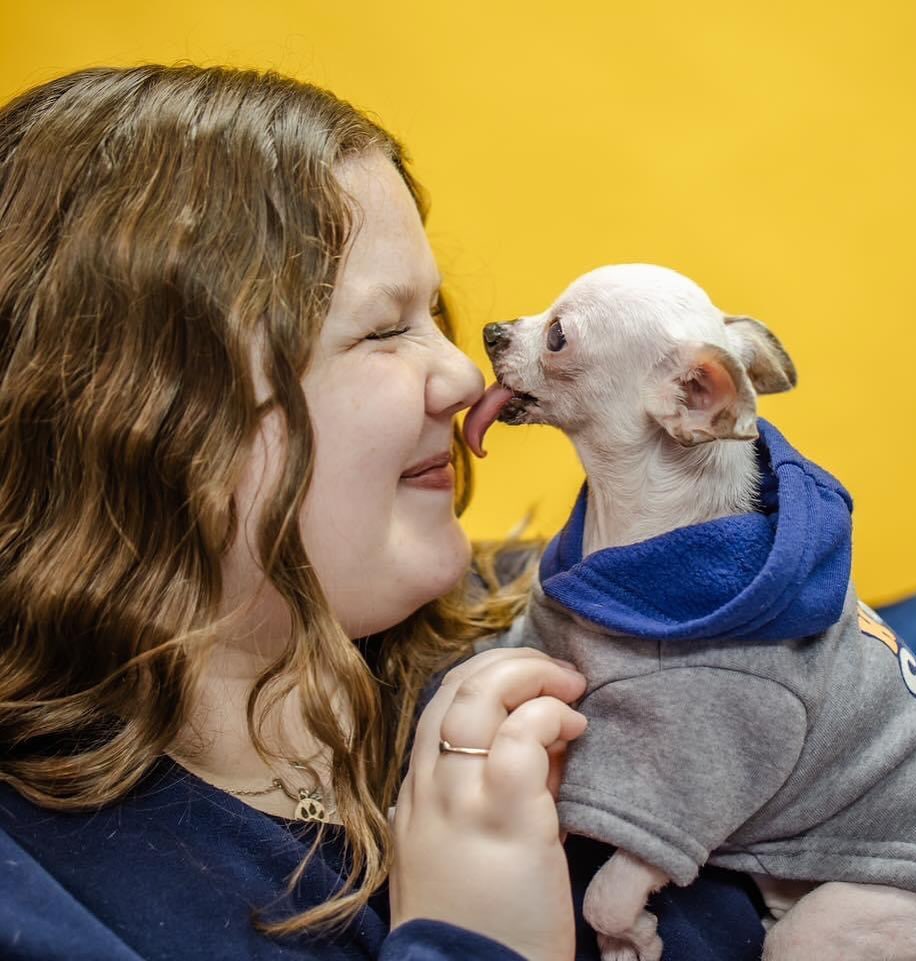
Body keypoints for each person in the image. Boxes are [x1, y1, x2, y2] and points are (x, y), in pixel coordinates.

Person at [0, 64, 768, 960]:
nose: (459, 374)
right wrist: (474, 943)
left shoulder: (592, 619)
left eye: (434, 313)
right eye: (381, 329)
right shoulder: (42, 891)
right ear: (148, 419)